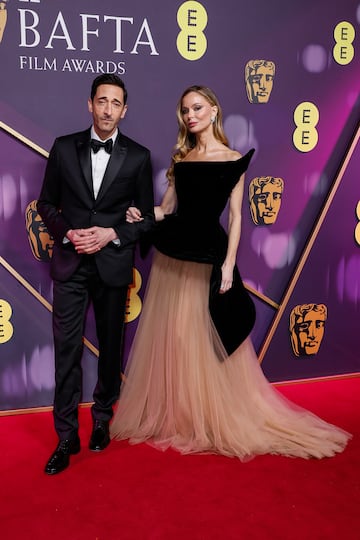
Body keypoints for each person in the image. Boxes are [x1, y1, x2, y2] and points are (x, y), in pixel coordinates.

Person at [110, 85, 351, 460]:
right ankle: (181, 416)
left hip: (209, 255)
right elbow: (167, 209)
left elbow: (237, 217)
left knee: (206, 338)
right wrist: (141, 213)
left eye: (198, 107)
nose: (191, 115)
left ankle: (210, 417)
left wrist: (228, 265)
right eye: (186, 110)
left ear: (214, 111)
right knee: (176, 339)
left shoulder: (233, 158)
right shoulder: (182, 158)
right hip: (174, 255)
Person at [37, 74, 154, 475]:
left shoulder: (139, 156)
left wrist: (112, 234)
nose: (107, 109)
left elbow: (147, 219)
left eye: (115, 103)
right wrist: (67, 233)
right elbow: (45, 203)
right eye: (101, 101)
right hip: (70, 263)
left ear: (124, 110)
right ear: (90, 104)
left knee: (110, 347)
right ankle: (65, 434)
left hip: (113, 265)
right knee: (66, 350)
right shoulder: (63, 148)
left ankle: (102, 417)